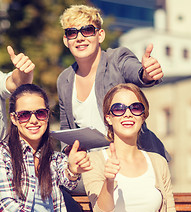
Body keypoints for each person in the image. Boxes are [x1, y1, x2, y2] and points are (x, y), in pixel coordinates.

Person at [57, 4, 168, 159]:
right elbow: (66, 130)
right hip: (95, 167)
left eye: (87, 31)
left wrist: (147, 74)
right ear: (66, 40)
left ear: (100, 35)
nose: (80, 38)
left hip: (136, 159)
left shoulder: (117, 58)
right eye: (72, 33)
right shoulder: (64, 79)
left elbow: (136, 73)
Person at [0, 84, 92, 212]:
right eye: (24, 115)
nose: (33, 120)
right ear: (14, 119)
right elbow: (5, 207)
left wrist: (73, 170)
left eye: (40, 113)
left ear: (47, 116)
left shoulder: (55, 158)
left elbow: (67, 178)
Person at [82, 83, 179, 212]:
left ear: (143, 116)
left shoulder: (158, 162)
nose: (127, 114)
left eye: (135, 108)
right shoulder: (95, 161)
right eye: (119, 109)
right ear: (108, 118)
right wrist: (109, 181)